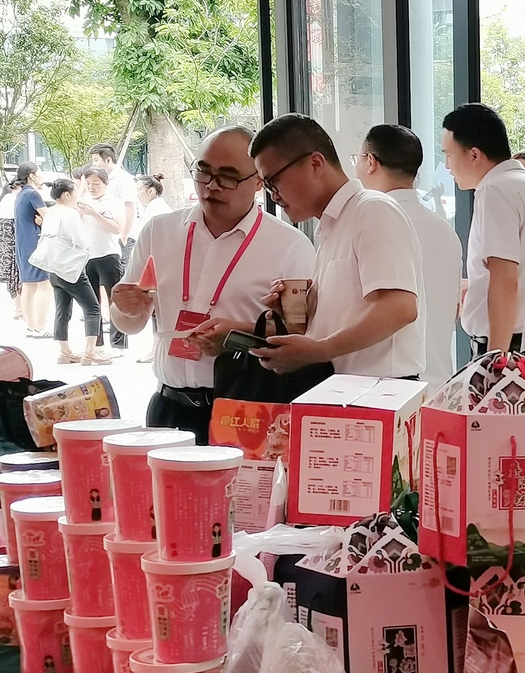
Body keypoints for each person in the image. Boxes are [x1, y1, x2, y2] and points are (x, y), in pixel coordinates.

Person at [112, 128, 316, 441]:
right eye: (203, 172)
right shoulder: (159, 230)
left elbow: (303, 340)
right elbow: (129, 323)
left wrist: (236, 339)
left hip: (245, 412)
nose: (211, 186)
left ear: (258, 181)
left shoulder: (289, 245)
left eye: (228, 177)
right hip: (168, 406)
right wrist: (125, 309)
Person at [247, 114, 424, 380]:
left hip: (380, 391)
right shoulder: (331, 226)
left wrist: (320, 350)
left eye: (273, 181)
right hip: (347, 389)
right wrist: (296, 316)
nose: (273, 195)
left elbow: (400, 307)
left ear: (315, 163)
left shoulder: (372, 209)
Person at [357, 124, 464, 390]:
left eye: (357, 159)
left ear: (370, 162)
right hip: (439, 386)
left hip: (388, 390)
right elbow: (452, 310)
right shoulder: (445, 231)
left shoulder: (370, 224)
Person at [444, 103, 525, 357]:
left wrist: (496, 358)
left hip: (505, 346)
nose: (446, 165)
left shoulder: (494, 190)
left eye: (449, 155)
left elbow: (504, 278)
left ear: (474, 155)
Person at [37, 179, 109, 366]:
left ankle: (65, 351)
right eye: (75, 192)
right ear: (67, 194)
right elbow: (82, 241)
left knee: (62, 310)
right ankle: (90, 352)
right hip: (70, 269)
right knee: (93, 309)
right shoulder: (70, 214)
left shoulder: (51, 212)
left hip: (54, 268)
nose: (77, 196)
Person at [77, 167, 126, 349]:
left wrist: (95, 214)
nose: (92, 187)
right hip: (88, 256)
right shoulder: (82, 201)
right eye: (89, 183)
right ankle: (95, 344)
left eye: (96, 184)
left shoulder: (114, 202)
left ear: (106, 183)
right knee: (91, 302)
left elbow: (117, 228)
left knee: (115, 301)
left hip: (108, 254)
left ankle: (118, 344)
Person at [13, 163, 50, 338]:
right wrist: (43, 222)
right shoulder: (33, 194)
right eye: (39, 172)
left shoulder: (20, 195)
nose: (41, 175)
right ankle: (40, 327)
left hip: (23, 244)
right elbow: (49, 216)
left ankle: (31, 325)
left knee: (29, 286)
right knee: (45, 286)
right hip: (35, 244)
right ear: (32, 176)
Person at [86, 143, 136, 261]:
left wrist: (124, 235)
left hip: (121, 235)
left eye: (96, 160)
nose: (94, 164)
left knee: (120, 268)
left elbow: (130, 208)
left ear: (108, 160)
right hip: (107, 238)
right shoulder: (104, 178)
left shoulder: (123, 178)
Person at [0, 171, 20, 323]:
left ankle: (19, 309)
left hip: (6, 245)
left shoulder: (5, 200)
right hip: (13, 243)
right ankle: (20, 310)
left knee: (13, 277)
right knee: (16, 275)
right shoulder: (12, 200)